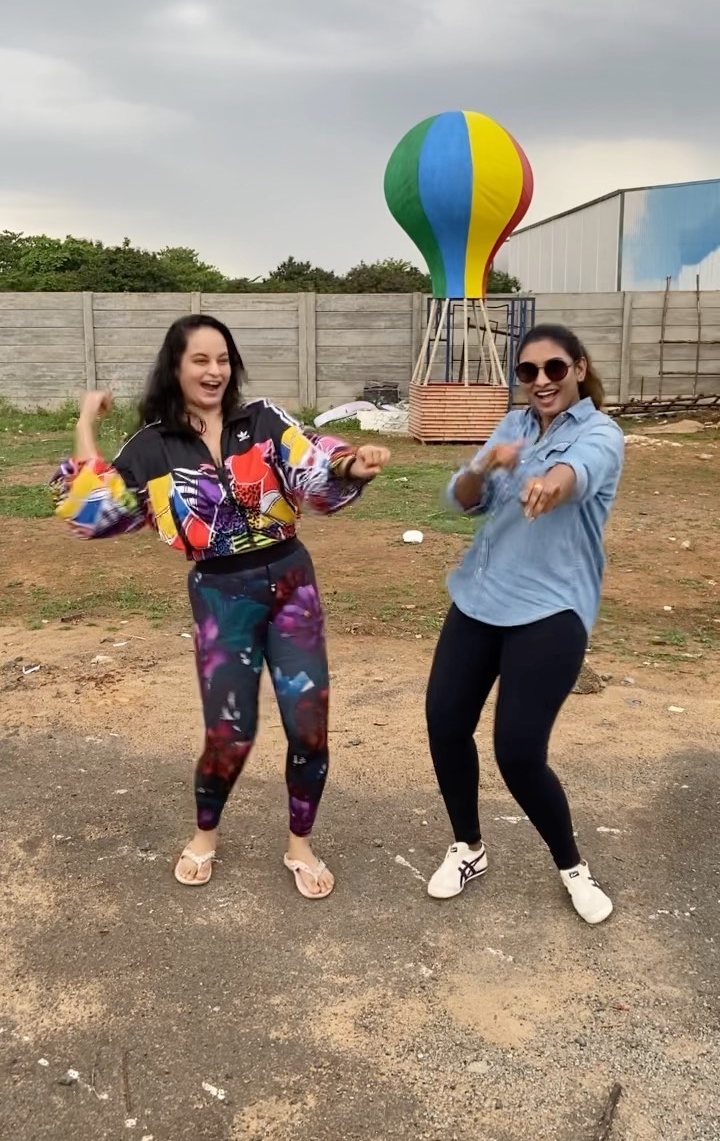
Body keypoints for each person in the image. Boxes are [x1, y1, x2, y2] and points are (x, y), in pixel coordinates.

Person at [52, 314, 390, 899]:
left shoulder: (261, 418)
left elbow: (310, 461)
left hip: (291, 583)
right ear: (176, 368)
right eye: (200, 360)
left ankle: (300, 846)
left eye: (222, 359)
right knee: (229, 732)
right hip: (220, 594)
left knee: (309, 728)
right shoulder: (154, 445)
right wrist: (86, 420)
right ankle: (205, 833)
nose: (214, 371)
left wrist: (349, 464)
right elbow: (95, 507)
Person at [425, 323, 625, 925]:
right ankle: (469, 847)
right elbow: (459, 500)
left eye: (554, 369)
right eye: (528, 372)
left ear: (580, 368)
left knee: (517, 751)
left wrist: (548, 483)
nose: (541, 381)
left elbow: (579, 472)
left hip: (552, 607)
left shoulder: (601, 432)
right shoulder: (511, 426)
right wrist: (484, 467)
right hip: (481, 595)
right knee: (445, 723)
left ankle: (571, 866)